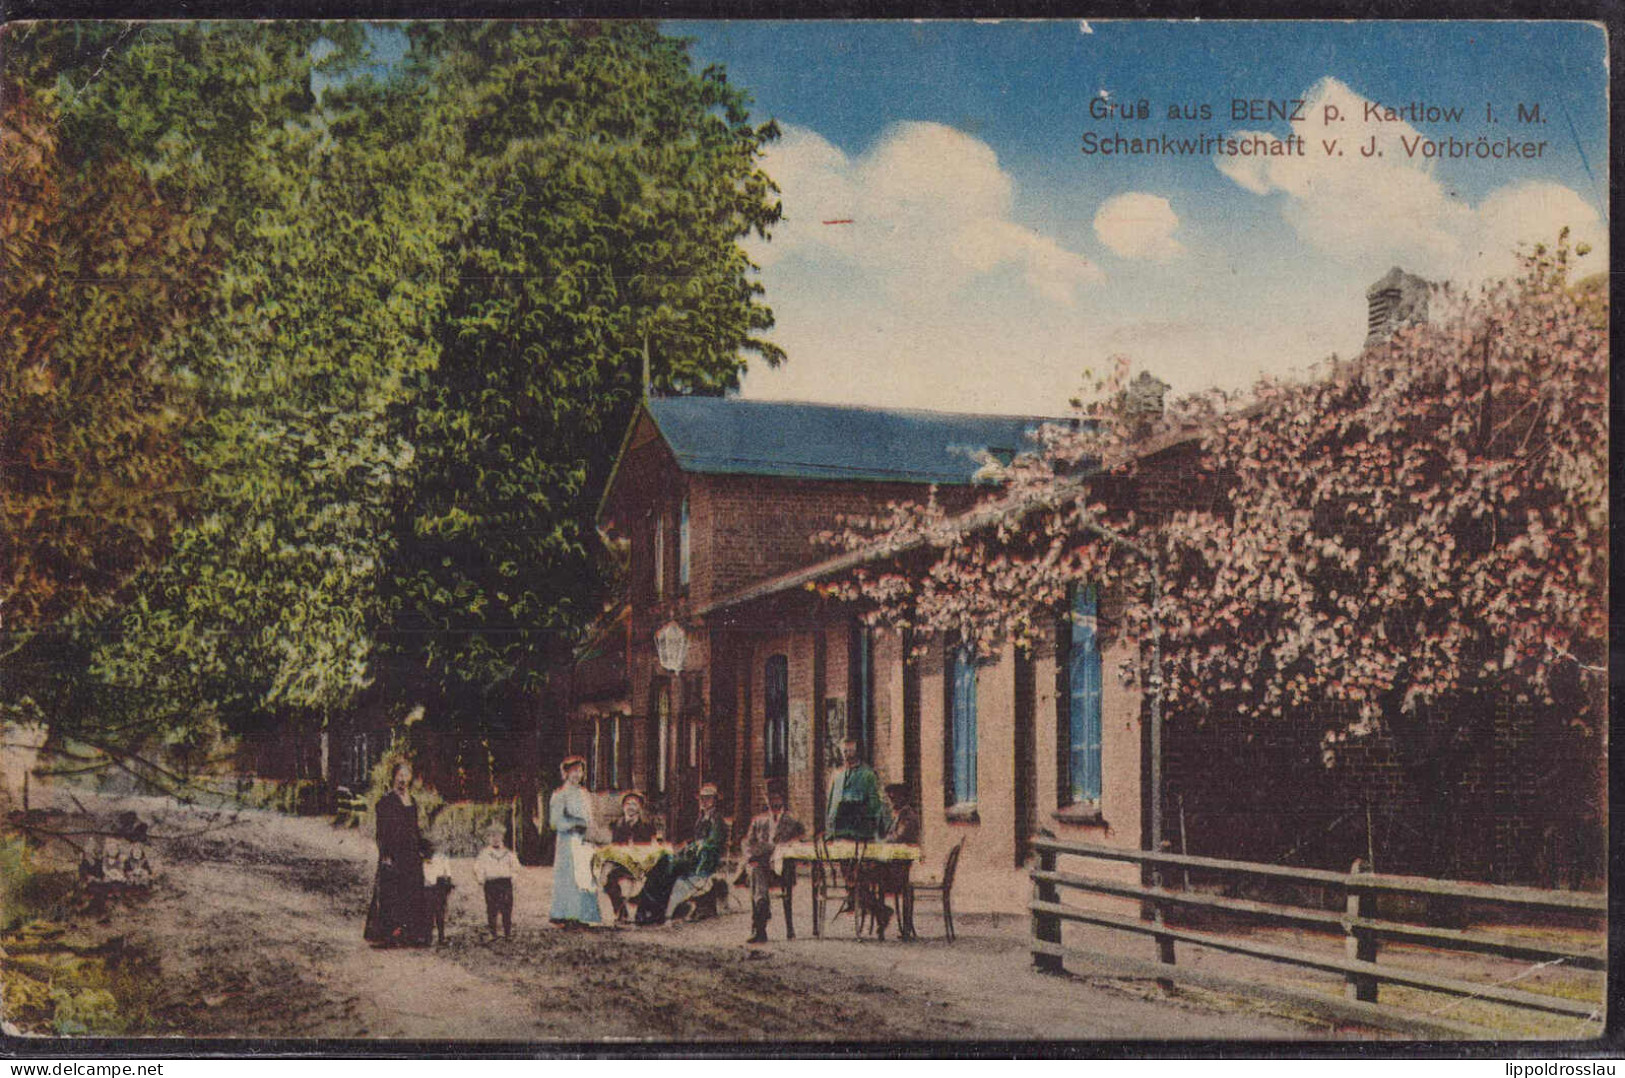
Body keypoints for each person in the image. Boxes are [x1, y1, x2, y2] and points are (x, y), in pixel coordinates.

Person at [636, 783, 728, 925]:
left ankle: (657, 911)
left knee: (669, 868)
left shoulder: (717, 820)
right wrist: (688, 845)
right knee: (660, 864)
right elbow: (696, 839)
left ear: (715, 801)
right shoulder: (702, 818)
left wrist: (697, 846)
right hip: (694, 856)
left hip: (705, 859)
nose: (704, 802)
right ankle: (647, 908)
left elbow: (713, 842)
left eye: (708, 799)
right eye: (702, 799)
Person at [364, 761, 431, 947]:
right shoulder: (386, 801)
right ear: (394, 777)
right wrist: (385, 853)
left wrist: (424, 849)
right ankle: (389, 934)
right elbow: (381, 831)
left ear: (410, 778)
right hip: (393, 853)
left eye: (406, 775)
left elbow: (415, 829)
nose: (403, 779)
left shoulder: (413, 801)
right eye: (400, 775)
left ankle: (411, 933)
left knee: (413, 890)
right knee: (392, 892)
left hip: (411, 853)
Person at [742, 779, 805, 944]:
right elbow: (747, 844)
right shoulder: (759, 821)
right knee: (756, 871)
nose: (773, 802)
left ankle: (760, 917)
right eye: (770, 798)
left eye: (776, 798)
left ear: (783, 800)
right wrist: (751, 858)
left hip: (782, 869)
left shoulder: (792, 821)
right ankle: (761, 920)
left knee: (757, 876)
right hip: (761, 867)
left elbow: (800, 841)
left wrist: (784, 848)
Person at [547, 755, 601, 926]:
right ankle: (566, 914)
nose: (577, 775)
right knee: (570, 877)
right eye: (573, 771)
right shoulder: (560, 795)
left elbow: (590, 817)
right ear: (566, 773)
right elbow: (555, 822)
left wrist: (590, 829)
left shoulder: (584, 794)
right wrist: (574, 825)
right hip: (567, 841)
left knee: (586, 875)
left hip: (584, 840)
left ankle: (584, 915)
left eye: (580, 771)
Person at [604, 790, 659, 923]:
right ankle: (620, 910)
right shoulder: (617, 825)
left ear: (639, 808)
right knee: (609, 879)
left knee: (650, 881)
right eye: (628, 803)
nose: (631, 807)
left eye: (634, 804)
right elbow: (614, 849)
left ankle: (643, 912)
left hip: (641, 864)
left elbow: (652, 848)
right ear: (623, 807)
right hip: (623, 865)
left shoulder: (647, 827)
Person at [825, 738, 886, 840]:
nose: (847, 754)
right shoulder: (837, 775)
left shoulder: (868, 774)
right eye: (845, 751)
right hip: (836, 832)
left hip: (858, 832)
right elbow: (831, 804)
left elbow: (875, 804)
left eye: (851, 751)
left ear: (857, 752)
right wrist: (829, 829)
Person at [471, 826, 518, 939]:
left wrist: (513, 878)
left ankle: (507, 933)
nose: (495, 839)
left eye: (497, 836)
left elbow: (516, 868)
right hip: (491, 883)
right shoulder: (484, 854)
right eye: (492, 836)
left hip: (505, 883)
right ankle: (493, 933)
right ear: (488, 838)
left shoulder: (508, 853)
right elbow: (478, 867)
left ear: (502, 837)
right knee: (492, 909)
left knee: (506, 908)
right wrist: (481, 878)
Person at [421, 838, 455, 945]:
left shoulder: (441, 858)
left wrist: (447, 883)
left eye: (431, 848)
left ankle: (441, 937)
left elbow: (448, 873)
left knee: (440, 913)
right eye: (427, 849)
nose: (430, 850)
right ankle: (428, 938)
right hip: (428, 888)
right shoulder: (423, 860)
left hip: (439, 887)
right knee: (428, 913)